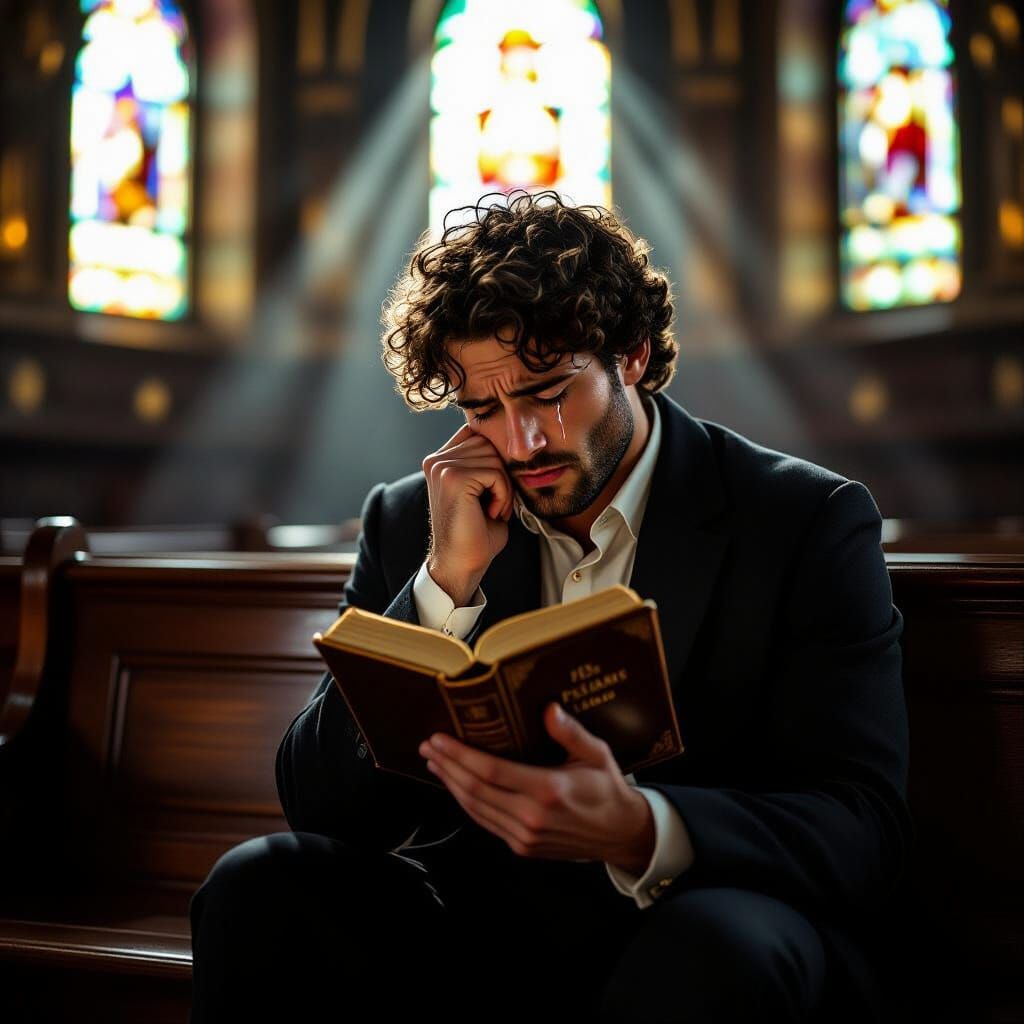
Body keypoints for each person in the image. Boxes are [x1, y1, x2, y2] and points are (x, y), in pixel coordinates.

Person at [189, 192, 912, 1023]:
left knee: (708, 957)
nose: (521, 441)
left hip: (701, 916)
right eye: (481, 409)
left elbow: (865, 827)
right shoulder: (412, 515)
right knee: (258, 886)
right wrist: (443, 585)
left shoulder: (801, 520)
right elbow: (321, 807)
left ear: (631, 355)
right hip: (476, 933)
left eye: (546, 393)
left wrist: (641, 827)